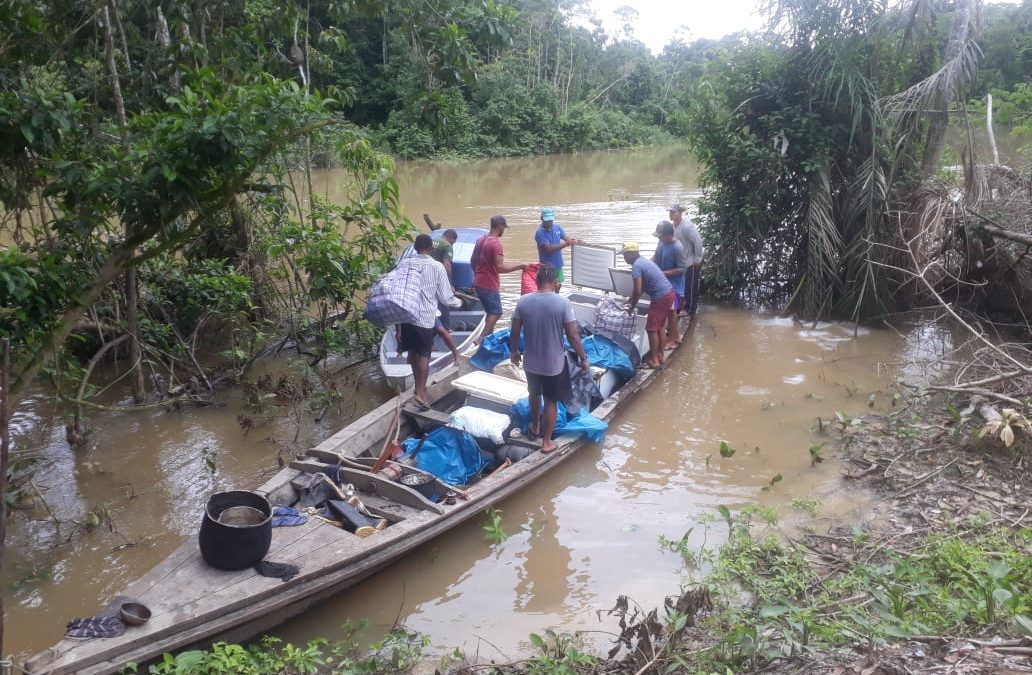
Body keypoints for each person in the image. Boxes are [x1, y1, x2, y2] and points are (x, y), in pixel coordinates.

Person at [510, 264, 590, 454]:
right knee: (551, 401)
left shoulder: (524, 301)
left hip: (531, 362)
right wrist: (583, 358)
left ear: (536, 282)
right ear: (555, 283)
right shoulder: (562, 303)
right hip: (554, 364)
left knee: (534, 394)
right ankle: (546, 442)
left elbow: (514, 331)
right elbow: (572, 334)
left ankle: (535, 426)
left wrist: (514, 351)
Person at [397, 234, 461, 409]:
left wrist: (397, 327)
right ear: (431, 249)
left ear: (415, 248)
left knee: (412, 353)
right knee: (424, 355)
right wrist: (458, 302)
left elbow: (397, 292)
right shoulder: (437, 266)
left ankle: (417, 387)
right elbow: (445, 297)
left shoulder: (404, 264)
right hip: (425, 318)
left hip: (406, 316)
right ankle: (420, 391)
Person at [621, 241, 675, 369]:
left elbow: (638, 290)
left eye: (625, 255)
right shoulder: (644, 262)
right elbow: (645, 285)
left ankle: (654, 360)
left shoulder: (636, 267)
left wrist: (631, 308)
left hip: (660, 298)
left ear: (631, 254)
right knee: (660, 326)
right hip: (669, 293)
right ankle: (661, 356)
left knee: (651, 329)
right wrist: (630, 299)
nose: (624, 258)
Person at [472, 215, 526, 342]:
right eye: (504, 228)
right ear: (500, 226)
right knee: (497, 312)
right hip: (488, 284)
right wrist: (520, 266)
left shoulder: (480, 240)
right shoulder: (495, 244)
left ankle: (487, 342)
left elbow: (472, 260)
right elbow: (500, 268)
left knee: (490, 313)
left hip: (478, 282)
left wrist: (477, 275)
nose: (504, 231)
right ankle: (481, 338)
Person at [652, 220, 687, 348]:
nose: (659, 238)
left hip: (675, 286)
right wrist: (647, 265)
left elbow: (682, 269)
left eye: (661, 236)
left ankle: (672, 339)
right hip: (664, 284)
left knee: (672, 312)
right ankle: (675, 336)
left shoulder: (677, 247)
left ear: (668, 235)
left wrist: (664, 273)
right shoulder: (661, 242)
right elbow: (656, 257)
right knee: (668, 311)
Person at [428, 229, 461, 361]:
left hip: (427, 279)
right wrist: (449, 284)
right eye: (454, 242)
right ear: (452, 239)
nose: (452, 245)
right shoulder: (447, 246)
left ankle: (438, 328)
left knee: (432, 304)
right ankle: (445, 328)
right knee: (444, 302)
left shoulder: (433, 241)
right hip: (438, 279)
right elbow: (447, 265)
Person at [668, 204, 703, 317]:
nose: (671, 214)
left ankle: (690, 309)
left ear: (680, 213)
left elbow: (698, 242)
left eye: (674, 212)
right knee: (680, 286)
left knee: (691, 287)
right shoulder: (672, 227)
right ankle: (681, 305)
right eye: (670, 212)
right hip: (680, 263)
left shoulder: (687, 226)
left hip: (690, 262)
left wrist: (697, 260)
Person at [534, 208, 580, 292]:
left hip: (558, 264)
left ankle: (556, 299)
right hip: (546, 267)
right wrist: (567, 243)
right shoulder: (539, 232)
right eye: (547, 220)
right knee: (547, 288)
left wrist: (575, 241)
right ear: (542, 219)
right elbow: (548, 248)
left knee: (558, 285)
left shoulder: (557, 227)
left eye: (551, 220)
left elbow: (566, 238)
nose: (549, 223)